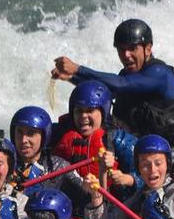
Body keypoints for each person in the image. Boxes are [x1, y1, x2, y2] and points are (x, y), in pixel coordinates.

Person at [51, 18, 174, 156]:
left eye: (133, 48)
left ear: (148, 48)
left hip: (170, 151)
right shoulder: (127, 76)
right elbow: (106, 93)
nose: (126, 55)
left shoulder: (160, 73)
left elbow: (122, 84)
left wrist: (78, 69)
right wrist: (71, 78)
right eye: (121, 49)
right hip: (136, 146)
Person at [51, 80, 139, 210]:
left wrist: (130, 179)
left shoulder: (118, 139)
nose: (83, 116)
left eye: (90, 110)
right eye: (79, 111)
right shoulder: (58, 133)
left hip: (109, 207)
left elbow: (147, 172)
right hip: (68, 205)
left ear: (103, 112)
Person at [0, 106, 84, 197]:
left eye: (31, 133)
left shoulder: (58, 167)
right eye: (20, 132)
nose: (23, 140)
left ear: (44, 136)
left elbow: (85, 195)